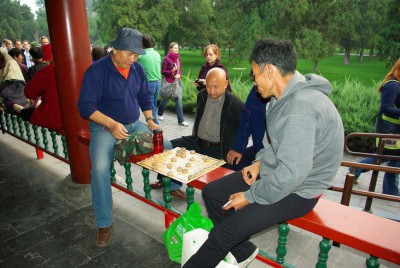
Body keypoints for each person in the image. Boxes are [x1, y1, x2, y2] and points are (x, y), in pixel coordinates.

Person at [182, 39, 344, 268]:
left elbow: (292, 175)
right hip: (281, 171)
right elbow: (276, 146)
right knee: (213, 193)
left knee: (223, 234)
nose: (254, 80)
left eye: (255, 73)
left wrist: (250, 196)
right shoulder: (280, 99)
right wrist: (258, 164)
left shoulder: (300, 108)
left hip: (301, 189)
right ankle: (242, 250)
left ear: (269, 70)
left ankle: (229, 242)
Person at [78, 27, 173, 247]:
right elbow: (85, 107)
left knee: (166, 145)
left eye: (137, 53)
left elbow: (145, 96)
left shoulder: (137, 69)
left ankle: (172, 184)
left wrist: (150, 120)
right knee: (100, 169)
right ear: (115, 49)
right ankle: (104, 223)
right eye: (130, 53)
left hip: (134, 124)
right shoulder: (96, 71)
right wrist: (111, 124)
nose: (134, 57)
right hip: (104, 128)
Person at [151, 68, 243, 193]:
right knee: (168, 146)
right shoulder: (202, 95)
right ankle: (171, 184)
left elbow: (242, 131)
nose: (211, 90)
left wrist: (236, 148)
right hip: (198, 142)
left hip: (219, 148)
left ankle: (174, 184)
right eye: (208, 85)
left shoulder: (235, 105)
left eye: (216, 87)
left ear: (226, 84)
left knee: (217, 185)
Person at [11, 44, 62, 129]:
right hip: (78, 116)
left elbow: (29, 93)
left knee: (26, 111)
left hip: (51, 116)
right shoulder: (78, 69)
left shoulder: (46, 72)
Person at [226, 82, 269, 171]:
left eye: (256, 76)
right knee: (231, 164)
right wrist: (238, 148)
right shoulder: (255, 91)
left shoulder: (288, 99)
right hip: (258, 150)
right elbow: (246, 120)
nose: (254, 83)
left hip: (278, 158)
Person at [157, 42, 189, 126]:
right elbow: (163, 71)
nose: (176, 49)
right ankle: (160, 113)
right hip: (169, 82)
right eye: (174, 48)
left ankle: (181, 120)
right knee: (166, 99)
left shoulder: (178, 59)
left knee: (178, 100)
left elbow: (180, 69)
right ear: (170, 49)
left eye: (177, 48)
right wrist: (172, 71)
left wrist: (179, 74)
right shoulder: (166, 59)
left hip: (177, 82)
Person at [138, 35, 161, 124]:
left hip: (149, 84)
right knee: (153, 106)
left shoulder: (141, 55)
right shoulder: (157, 53)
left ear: (142, 43)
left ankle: (156, 129)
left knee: (150, 108)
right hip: (158, 83)